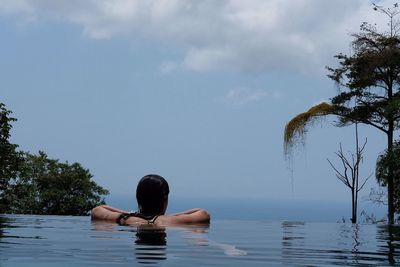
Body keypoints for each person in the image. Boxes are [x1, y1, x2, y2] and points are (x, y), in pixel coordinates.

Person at [91, 174, 210, 225]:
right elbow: (202, 213)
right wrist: (168, 217)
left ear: (138, 197)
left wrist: (133, 215)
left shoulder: (127, 220)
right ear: (165, 198)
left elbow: (97, 210)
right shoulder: (169, 222)